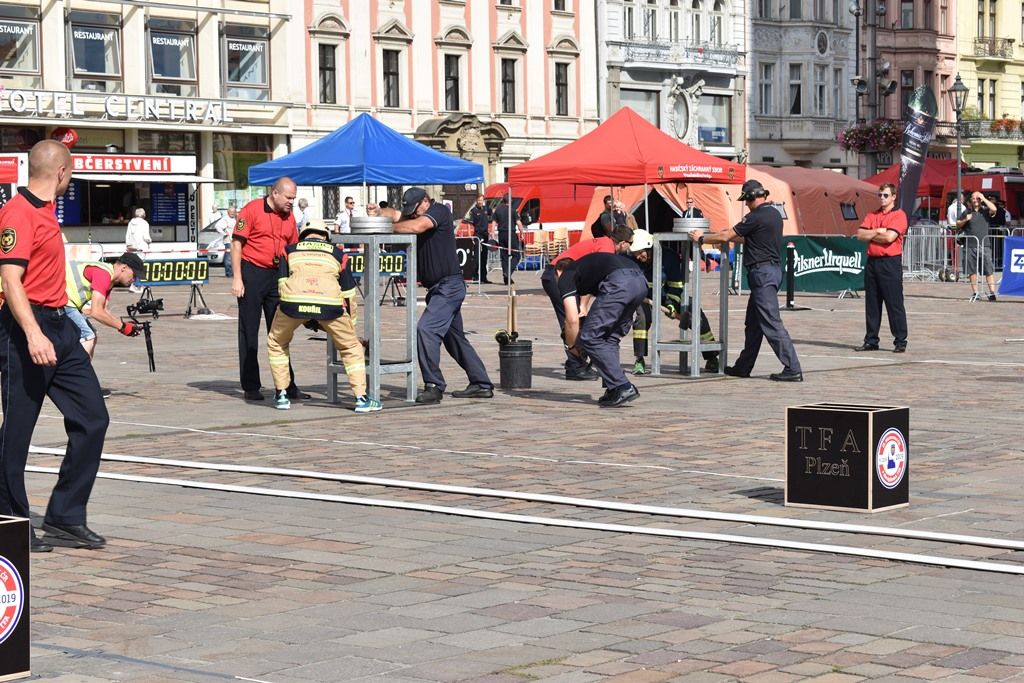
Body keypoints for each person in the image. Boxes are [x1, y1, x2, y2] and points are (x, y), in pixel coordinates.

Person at [0, 139, 109, 552]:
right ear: (62, 172)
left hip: (60, 324)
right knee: (16, 434)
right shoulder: (19, 213)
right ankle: (10, 521)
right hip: (26, 329)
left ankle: (65, 517)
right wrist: (32, 334)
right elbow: (11, 281)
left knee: (93, 418)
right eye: (71, 172)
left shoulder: (46, 210)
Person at [382, 187, 494, 404]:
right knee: (455, 340)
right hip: (438, 289)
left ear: (425, 202)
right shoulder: (416, 213)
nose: (412, 214)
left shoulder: (439, 211)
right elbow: (395, 215)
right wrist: (378, 212)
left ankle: (433, 385)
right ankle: (481, 383)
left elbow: (416, 226)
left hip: (448, 287)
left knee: (426, 329)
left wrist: (388, 226)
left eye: (415, 209)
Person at [691, 179, 802, 381]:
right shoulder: (774, 214)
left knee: (771, 322)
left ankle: (792, 368)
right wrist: (727, 236)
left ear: (751, 197)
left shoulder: (755, 216)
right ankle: (744, 367)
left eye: (747, 200)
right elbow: (748, 237)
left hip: (762, 273)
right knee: (754, 324)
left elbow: (726, 236)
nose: (747, 204)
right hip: (769, 271)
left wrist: (701, 238)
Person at [266, 221, 381, 413]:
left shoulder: (289, 250)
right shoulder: (338, 253)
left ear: (303, 235)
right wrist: (350, 328)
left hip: (292, 304)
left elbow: (282, 285)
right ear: (326, 236)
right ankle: (361, 399)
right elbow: (349, 295)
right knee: (351, 347)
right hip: (330, 306)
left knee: (276, 342)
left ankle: (281, 395)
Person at [231, 177, 309, 402]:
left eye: (294, 198)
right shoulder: (252, 210)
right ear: (275, 193)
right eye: (288, 197)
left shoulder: (290, 215)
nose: (291, 202)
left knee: (281, 332)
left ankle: (287, 385)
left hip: (277, 275)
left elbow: (292, 249)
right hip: (252, 273)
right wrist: (237, 278)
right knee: (249, 331)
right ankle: (251, 386)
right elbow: (236, 244)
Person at [541, 225, 634, 380]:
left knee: (579, 321)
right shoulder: (606, 248)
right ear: (623, 243)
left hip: (569, 276)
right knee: (571, 320)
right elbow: (595, 275)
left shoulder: (606, 244)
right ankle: (575, 366)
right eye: (630, 243)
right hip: (557, 274)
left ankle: (578, 362)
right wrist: (583, 305)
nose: (631, 247)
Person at [555, 250, 648, 407]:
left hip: (619, 283)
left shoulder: (565, 276)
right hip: (640, 280)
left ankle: (622, 386)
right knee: (609, 337)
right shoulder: (584, 268)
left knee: (590, 337)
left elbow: (571, 320)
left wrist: (571, 347)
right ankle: (613, 389)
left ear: (558, 272)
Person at [628, 229, 720, 375]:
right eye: (635, 254)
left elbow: (676, 285)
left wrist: (671, 303)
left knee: (696, 313)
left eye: (641, 252)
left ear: (649, 246)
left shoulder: (669, 257)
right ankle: (639, 360)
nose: (638, 257)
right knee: (643, 319)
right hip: (643, 297)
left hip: (667, 295)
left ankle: (711, 358)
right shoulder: (631, 260)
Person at [855, 183, 909, 353]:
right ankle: (871, 340)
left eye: (885, 195)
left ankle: (900, 340)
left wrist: (873, 234)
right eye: (880, 195)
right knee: (872, 303)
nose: (882, 198)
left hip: (890, 263)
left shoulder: (899, 215)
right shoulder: (873, 214)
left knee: (894, 303)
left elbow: (889, 237)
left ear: (893, 197)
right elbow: (860, 234)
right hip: (872, 262)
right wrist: (878, 230)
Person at [65, 253, 145, 359]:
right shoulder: (103, 274)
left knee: (93, 334)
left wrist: (124, 325)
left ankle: (82, 370)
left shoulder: (110, 280)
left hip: (67, 301)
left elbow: (103, 311)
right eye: (134, 275)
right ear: (124, 268)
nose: (134, 280)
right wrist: (123, 327)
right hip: (62, 300)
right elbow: (96, 312)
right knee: (88, 337)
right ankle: (78, 373)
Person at [955, 191, 999, 301]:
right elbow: (958, 223)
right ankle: (975, 292)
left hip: (984, 245)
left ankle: (992, 293)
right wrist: (966, 219)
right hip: (970, 245)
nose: (975, 200)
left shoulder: (985, 211)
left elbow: (994, 209)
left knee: (988, 269)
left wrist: (983, 198)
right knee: (972, 270)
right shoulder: (967, 211)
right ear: (970, 200)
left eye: (977, 198)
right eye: (973, 198)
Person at [493, 196, 523, 285]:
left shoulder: (498, 210)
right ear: (510, 201)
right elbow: (519, 223)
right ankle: (508, 272)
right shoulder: (513, 210)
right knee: (516, 255)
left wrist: (492, 234)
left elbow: (494, 222)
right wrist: (521, 233)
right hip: (511, 234)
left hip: (501, 234)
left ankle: (506, 279)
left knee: (504, 256)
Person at [467, 195, 493, 283]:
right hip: (477, 235)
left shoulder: (486, 209)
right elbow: (469, 224)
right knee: (477, 257)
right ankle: (475, 276)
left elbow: (493, 212)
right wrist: (472, 237)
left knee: (484, 257)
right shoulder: (473, 211)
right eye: (479, 200)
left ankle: (483, 277)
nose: (480, 202)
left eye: (481, 200)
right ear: (476, 201)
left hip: (485, 235)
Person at [124, 207, 150, 292]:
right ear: (143, 215)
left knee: (134, 267)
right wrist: (150, 240)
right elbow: (146, 237)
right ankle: (135, 285)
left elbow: (127, 235)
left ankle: (136, 284)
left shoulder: (131, 222)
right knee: (139, 267)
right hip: (140, 248)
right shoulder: (144, 223)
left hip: (131, 247)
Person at [222, 205, 237, 278]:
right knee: (228, 258)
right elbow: (218, 227)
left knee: (235, 257)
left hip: (235, 241)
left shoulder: (236, 219)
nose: (232, 213)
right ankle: (228, 273)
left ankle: (234, 272)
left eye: (233, 212)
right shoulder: (225, 219)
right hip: (228, 241)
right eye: (231, 212)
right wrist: (224, 234)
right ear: (228, 212)